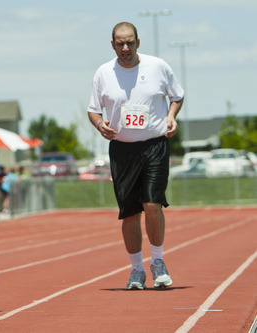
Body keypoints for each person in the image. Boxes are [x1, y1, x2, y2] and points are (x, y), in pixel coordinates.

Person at [87, 22, 184, 290]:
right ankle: (136, 269)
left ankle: (158, 261)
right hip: (122, 149)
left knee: (152, 204)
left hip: (154, 144)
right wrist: (99, 125)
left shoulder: (157, 66)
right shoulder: (103, 73)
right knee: (130, 214)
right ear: (113, 45)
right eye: (120, 43)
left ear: (138, 42)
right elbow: (93, 110)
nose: (125, 48)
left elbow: (178, 95)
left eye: (130, 42)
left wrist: (171, 116)